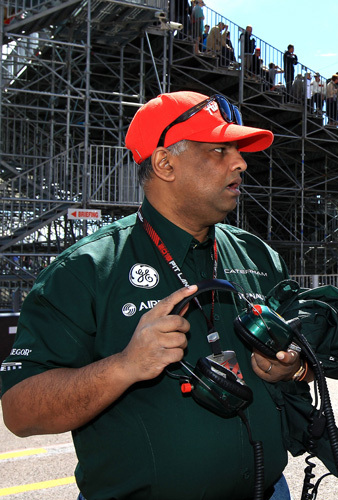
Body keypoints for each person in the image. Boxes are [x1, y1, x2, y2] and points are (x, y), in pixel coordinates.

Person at [0, 91, 308, 499]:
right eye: (219, 150)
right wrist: (124, 366)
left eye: (237, 150)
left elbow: (301, 359)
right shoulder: (87, 268)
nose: (240, 163)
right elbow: (20, 410)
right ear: (165, 163)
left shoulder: (259, 256)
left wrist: (292, 367)